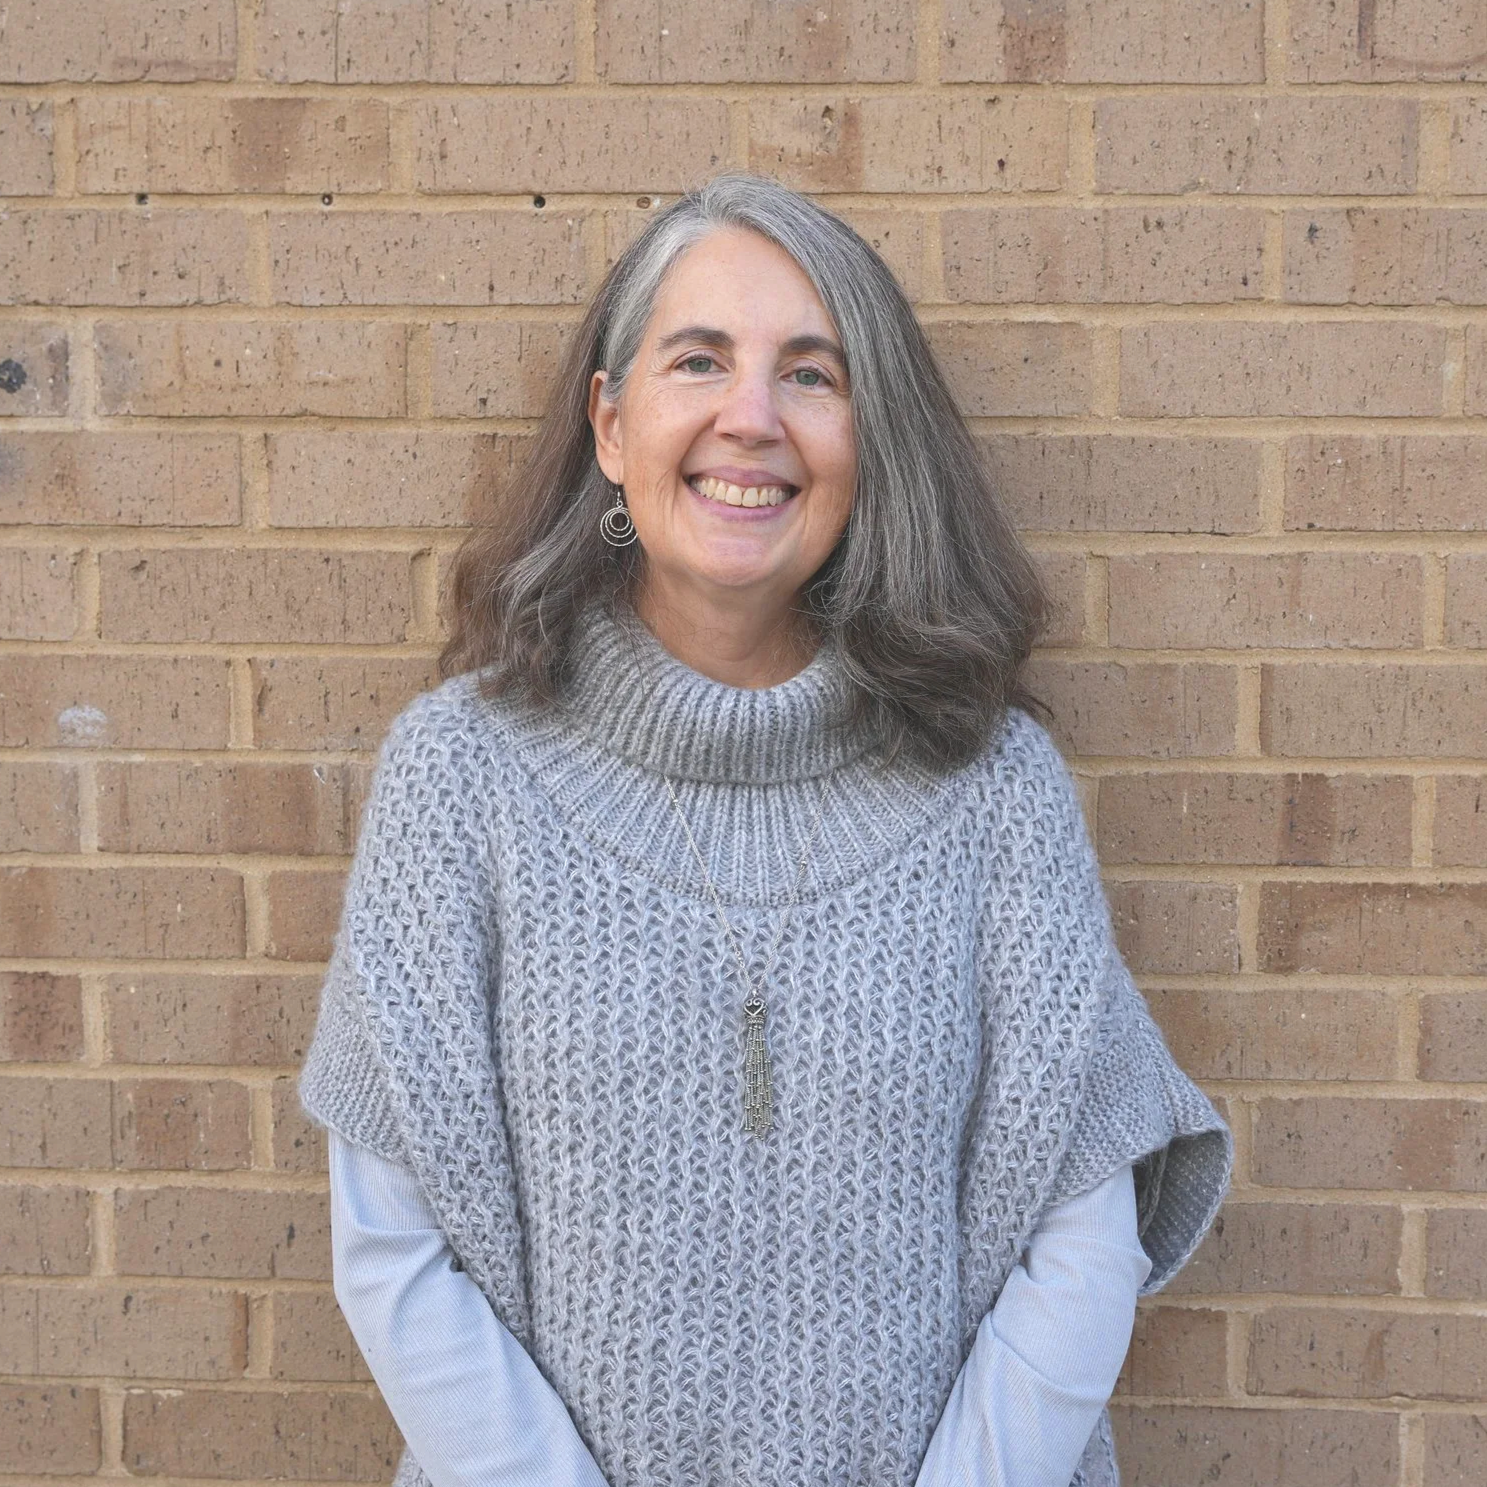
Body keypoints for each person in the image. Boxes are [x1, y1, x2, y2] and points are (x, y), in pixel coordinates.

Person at [298, 171, 1232, 1487]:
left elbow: (1075, 1235)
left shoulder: (991, 791)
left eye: (811, 373)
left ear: (870, 439)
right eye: (698, 360)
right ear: (612, 425)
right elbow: (396, 1245)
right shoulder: (463, 781)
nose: (751, 417)